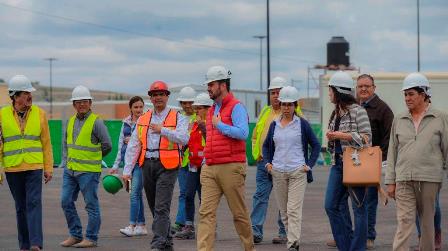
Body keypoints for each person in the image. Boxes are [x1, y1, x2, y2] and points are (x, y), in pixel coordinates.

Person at [386, 72, 448, 251]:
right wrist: (390, 180)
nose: (407, 98)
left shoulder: (440, 118)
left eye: (411, 94)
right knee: (404, 221)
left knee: (427, 223)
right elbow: (393, 151)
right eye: (405, 94)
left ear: (423, 94)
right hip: (403, 178)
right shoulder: (399, 119)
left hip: (429, 179)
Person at [124, 80, 189, 251]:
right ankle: (166, 240)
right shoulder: (143, 119)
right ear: (150, 99)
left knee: (161, 206)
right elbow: (134, 145)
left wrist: (163, 130)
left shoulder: (177, 117)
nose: (158, 97)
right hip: (147, 165)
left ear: (167, 96)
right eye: (154, 95)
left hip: (168, 165)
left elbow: (184, 138)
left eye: (161, 94)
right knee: (154, 205)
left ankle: (158, 242)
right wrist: (127, 170)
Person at [197, 66, 255, 251]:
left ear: (222, 85)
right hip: (210, 167)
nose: (208, 88)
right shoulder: (212, 109)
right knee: (206, 213)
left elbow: (243, 133)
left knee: (239, 213)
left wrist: (220, 125)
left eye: (211, 84)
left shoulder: (236, 106)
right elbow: (211, 140)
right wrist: (206, 159)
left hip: (231, 166)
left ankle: (249, 248)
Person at [262, 86, 321, 251]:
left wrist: (308, 165)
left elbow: (316, 145)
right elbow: (266, 146)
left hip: (297, 172)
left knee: (293, 210)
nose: (286, 108)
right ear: (280, 105)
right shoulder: (274, 125)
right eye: (283, 104)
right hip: (278, 172)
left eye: (290, 105)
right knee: (284, 212)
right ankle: (292, 239)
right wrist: (268, 163)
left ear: (295, 105)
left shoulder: (302, 124)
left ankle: (293, 244)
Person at [0, 75, 53, 251]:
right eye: (25, 93)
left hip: (34, 167)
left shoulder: (40, 114)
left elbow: (46, 143)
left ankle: (36, 243)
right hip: (13, 168)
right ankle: (24, 245)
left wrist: (48, 167)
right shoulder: (2, 115)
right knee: (20, 207)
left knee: (34, 203)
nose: (30, 96)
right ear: (15, 96)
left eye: (30, 92)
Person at [324, 71, 372, 251]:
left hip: (355, 165)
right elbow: (334, 140)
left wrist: (342, 135)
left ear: (338, 91)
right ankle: (345, 246)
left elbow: (367, 139)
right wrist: (331, 138)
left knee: (359, 209)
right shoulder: (335, 113)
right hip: (337, 165)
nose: (329, 94)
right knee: (331, 205)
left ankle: (357, 248)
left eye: (330, 90)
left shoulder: (359, 111)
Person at [60, 85, 112, 248]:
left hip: (89, 172)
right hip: (70, 171)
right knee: (66, 201)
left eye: (84, 101)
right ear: (74, 104)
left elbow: (107, 145)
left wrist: (94, 158)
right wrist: (67, 162)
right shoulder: (70, 122)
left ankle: (91, 237)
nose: (81, 104)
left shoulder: (96, 122)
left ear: (90, 103)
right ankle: (75, 235)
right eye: (78, 102)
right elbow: (66, 145)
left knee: (91, 205)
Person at [250, 77, 289, 245]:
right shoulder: (266, 111)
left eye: (278, 92)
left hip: (283, 162)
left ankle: (284, 232)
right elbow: (256, 134)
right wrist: (256, 153)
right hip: (263, 162)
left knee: (283, 198)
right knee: (260, 196)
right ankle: (255, 231)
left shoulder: (292, 111)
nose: (275, 95)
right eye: (272, 92)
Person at [174, 92, 213, 240]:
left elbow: (212, 141)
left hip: (207, 165)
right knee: (188, 195)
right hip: (192, 165)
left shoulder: (213, 123)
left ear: (208, 108)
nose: (196, 111)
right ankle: (188, 227)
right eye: (195, 108)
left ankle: (209, 227)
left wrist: (204, 128)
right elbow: (186, 141)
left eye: (199, 108)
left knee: (206, 198)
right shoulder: (193, 123)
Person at [110, 96, 147, 236]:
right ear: (130, 108)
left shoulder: (146, 121)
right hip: (128, 165)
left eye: (140, 107)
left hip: (140, 164)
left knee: (134, 194)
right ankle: (141, 225)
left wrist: (132, 139)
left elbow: (148, 141)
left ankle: (132, 226)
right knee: (135, 194)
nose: (138, 109)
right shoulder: (125, 123)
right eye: (136, 107)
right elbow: (120, 146)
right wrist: (116, 165)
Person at [172, 86, 197, 233]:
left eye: (190, 102)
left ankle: (209, 224)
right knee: (184, 193)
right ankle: (182, 222)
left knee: (202, 195)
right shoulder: (178, 118)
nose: (187, 106)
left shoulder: (200, 117)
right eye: (184, 103)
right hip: (183, 161)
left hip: (197, 162)